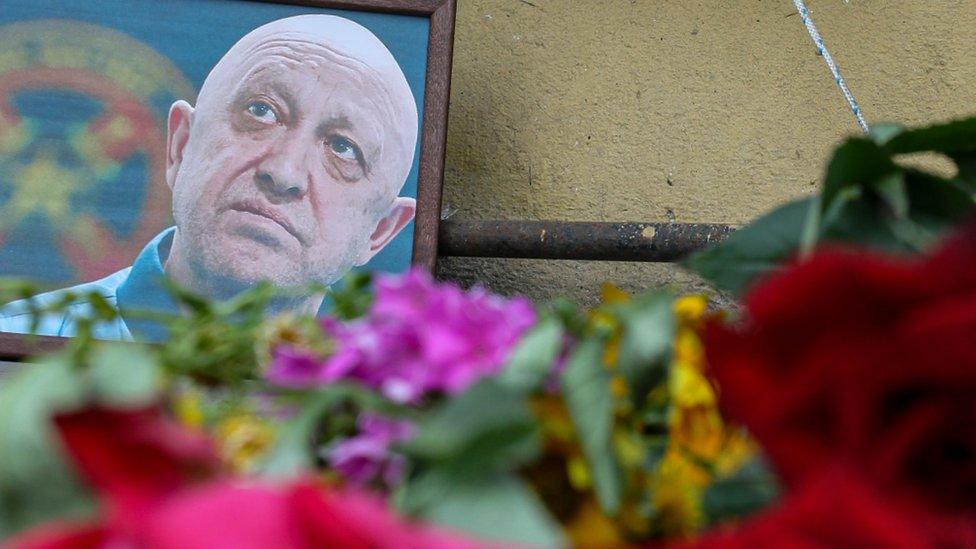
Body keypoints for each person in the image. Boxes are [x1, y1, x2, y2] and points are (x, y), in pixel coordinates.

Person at [0, 14, 419, 341]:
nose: (283, 172)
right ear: (180, 145)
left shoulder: (395, 423)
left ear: (380, 232)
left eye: (343, 148)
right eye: (262, 111)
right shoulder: (15, 347)